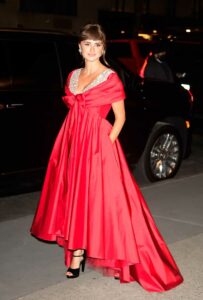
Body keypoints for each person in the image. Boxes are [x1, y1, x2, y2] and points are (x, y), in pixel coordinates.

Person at [30, 24, 183, 292]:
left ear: (103, 49)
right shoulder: (73, 75)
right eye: (86, 44)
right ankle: (77, 253)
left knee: (108, 204)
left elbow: (120, 117)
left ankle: (116, 253)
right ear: (79, 48)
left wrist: (106, 144)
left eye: (97, 45)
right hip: (71, 141)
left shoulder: (110, 77)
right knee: (75, 197)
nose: (91, 49)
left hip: (99, 144)